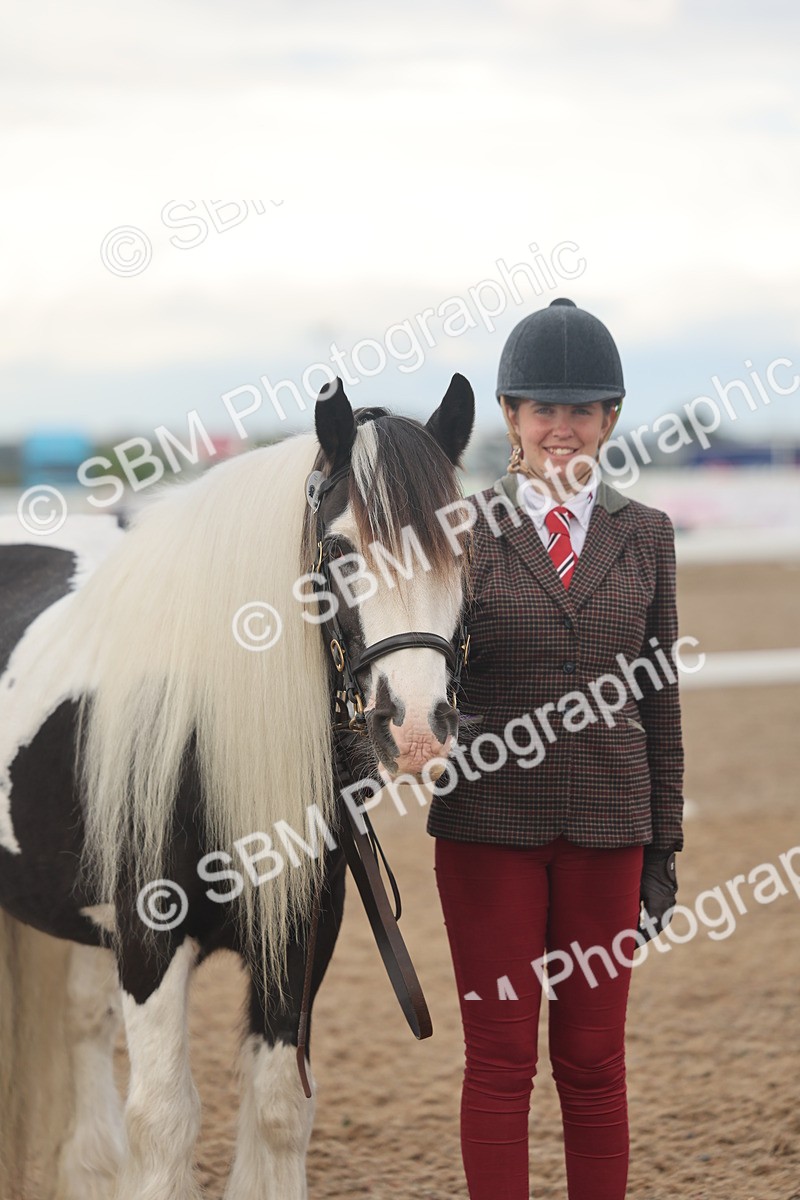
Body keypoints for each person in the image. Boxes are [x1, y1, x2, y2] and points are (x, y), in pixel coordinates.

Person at [427, 298, 684, 1200]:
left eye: (581, 409)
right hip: (487, 830)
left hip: (610, 831)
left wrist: (664, 844)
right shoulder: (458, 534)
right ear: (511, 416)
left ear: (610, 418)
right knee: (500, 1063)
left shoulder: (646, 535)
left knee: (594, 1063)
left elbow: (660, 699)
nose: (562, 427)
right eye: (544, 409)